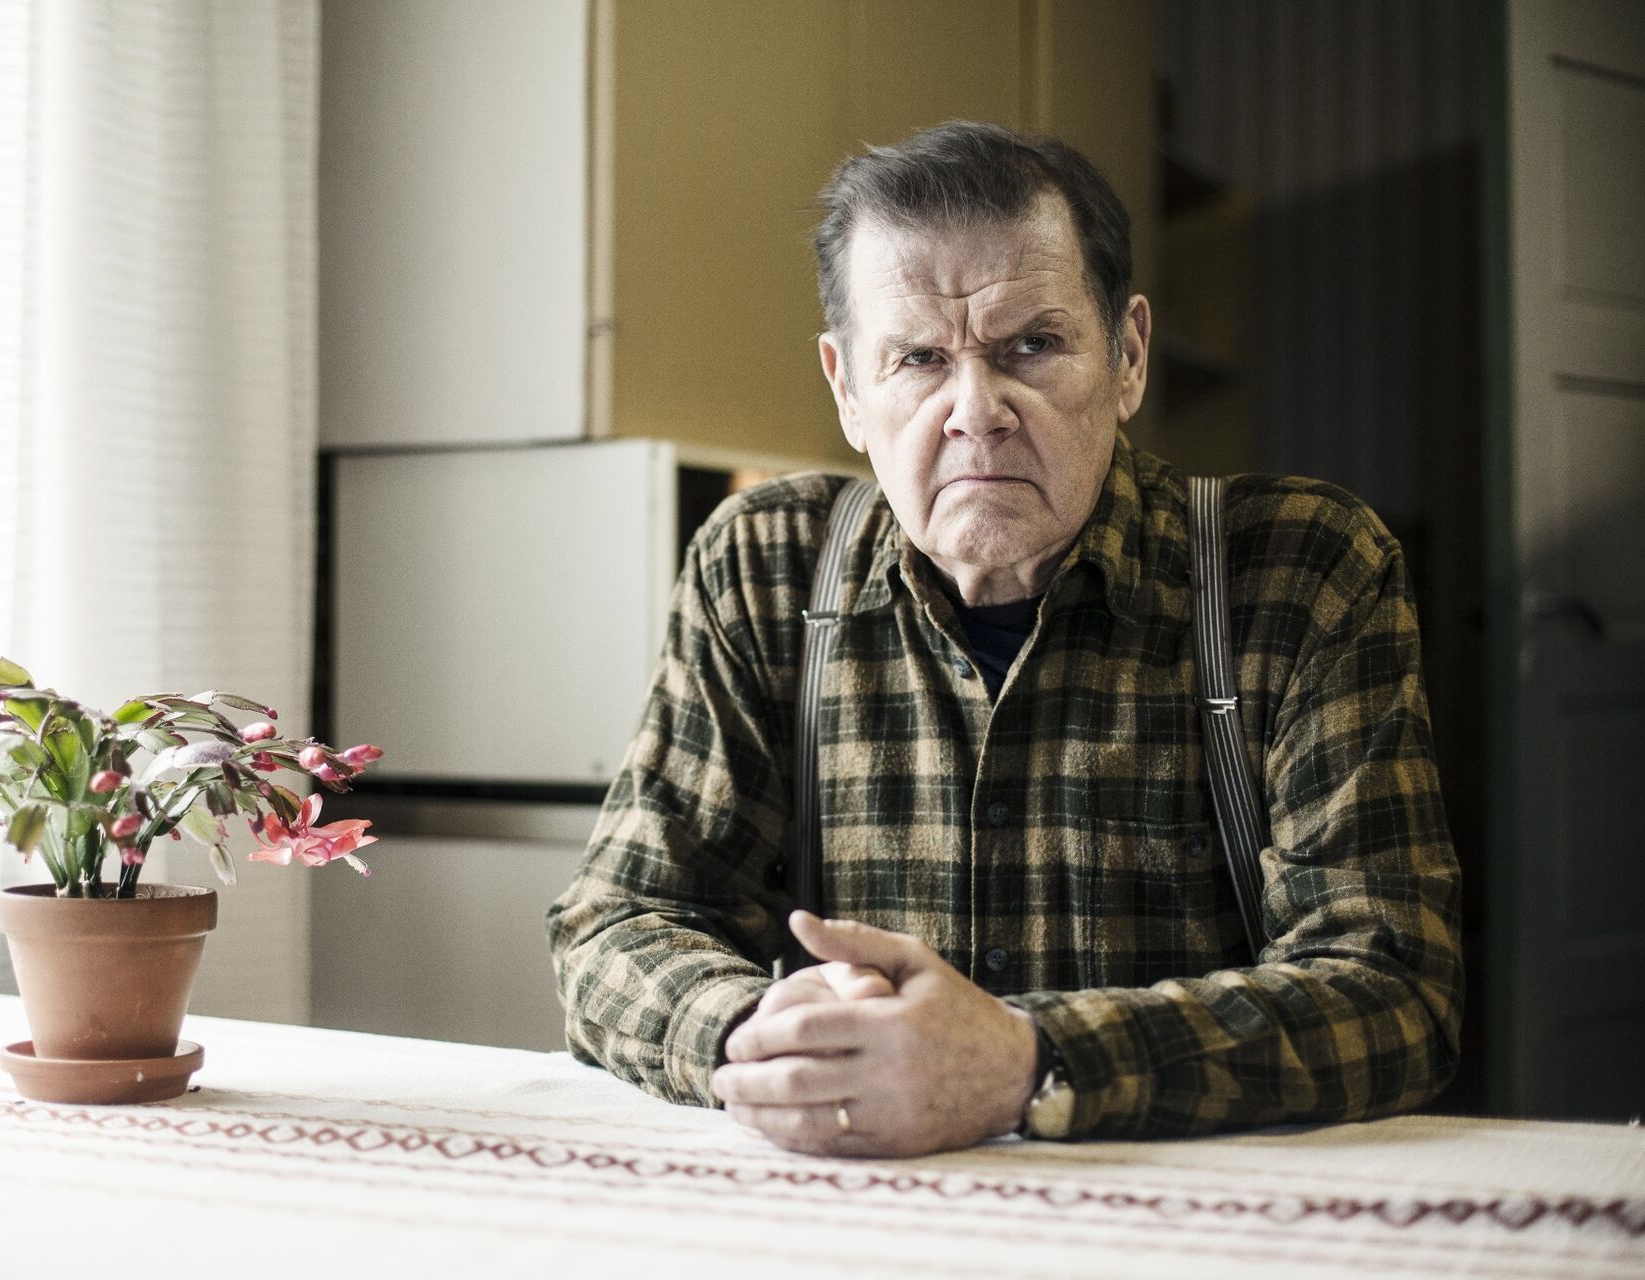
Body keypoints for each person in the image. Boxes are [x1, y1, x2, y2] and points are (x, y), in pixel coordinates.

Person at [546, 121, 1461, 1157]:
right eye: (919, 359)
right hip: (861, 1201)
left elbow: (1396, 989)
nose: (975, 412)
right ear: (848, 389)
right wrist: (766, 1030)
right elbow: (617, 922)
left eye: (1033, 345)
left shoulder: (1300, 570)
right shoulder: (765, 567)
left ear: (1128, 356)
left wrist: (1028, 1060)